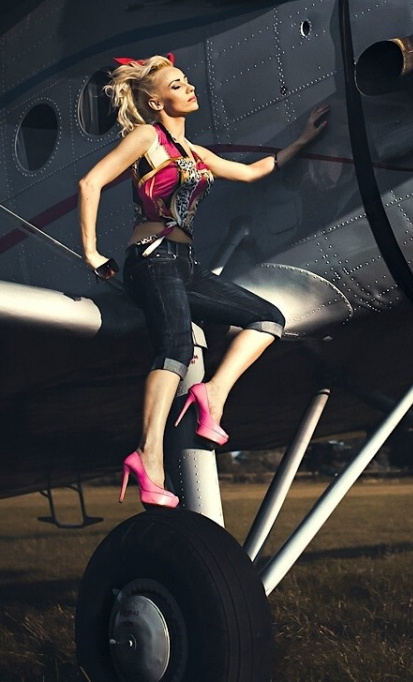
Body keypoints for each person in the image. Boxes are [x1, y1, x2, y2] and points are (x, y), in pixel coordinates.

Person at [76, 53, 328, 507]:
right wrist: (92, 251)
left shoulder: (196, 153)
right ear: (155, 102)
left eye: (187, 80)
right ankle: (147, 455)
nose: (189, 88)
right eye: (177, 84)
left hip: (185, 264)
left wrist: (303, 139)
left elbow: (254, 172)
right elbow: (90, 183)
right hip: (151, 259)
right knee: (174, 347)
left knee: (267, 318)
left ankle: (212, 392)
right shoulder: (145, 137)